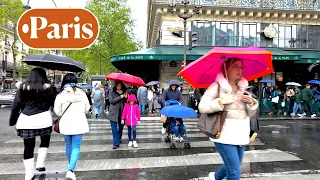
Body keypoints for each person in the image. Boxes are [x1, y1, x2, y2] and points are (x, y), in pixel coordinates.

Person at [198, 57, 258, 180]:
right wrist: (220, 102)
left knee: (233, 165)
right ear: (226, 69)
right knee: (234, 172)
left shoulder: (243, 89)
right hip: (224, 134)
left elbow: (250, 114)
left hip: (241, 133)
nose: (239, 69)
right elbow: (202, 107)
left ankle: (215, 177)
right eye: (235, 66)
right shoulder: (217, 86)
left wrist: (251, 103)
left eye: (241, 67)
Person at [9, 68, 57, 180]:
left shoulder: (22, 88)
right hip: (44, 119)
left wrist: (12, 121)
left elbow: (16, 106)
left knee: (28, 146)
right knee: (45, 141)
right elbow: (53, 104)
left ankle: (29, 174)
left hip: (26, 120)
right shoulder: (49, 89)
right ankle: (40, 164)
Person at [54, 73, 90, 180]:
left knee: (68, 145)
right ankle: (71, 169)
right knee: (76, 146)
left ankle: (71, 168)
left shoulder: (60, 95)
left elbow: (57, 111)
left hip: (66, 123)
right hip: (79, 122)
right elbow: (87, 108)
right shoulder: (82, 93)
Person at [108, 81, 127, 149]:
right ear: (115, 86)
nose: (119, 86)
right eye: (118, 85)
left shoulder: (125, 92)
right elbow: (111, 101)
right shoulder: (111, 92)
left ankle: (118, 137)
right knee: (114, 128)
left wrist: (126, 98)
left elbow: (128, 102)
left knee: (121, 127)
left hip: (121, 112)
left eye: (120, 85)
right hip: (113, 112)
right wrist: (120, 97)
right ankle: (116, 143)